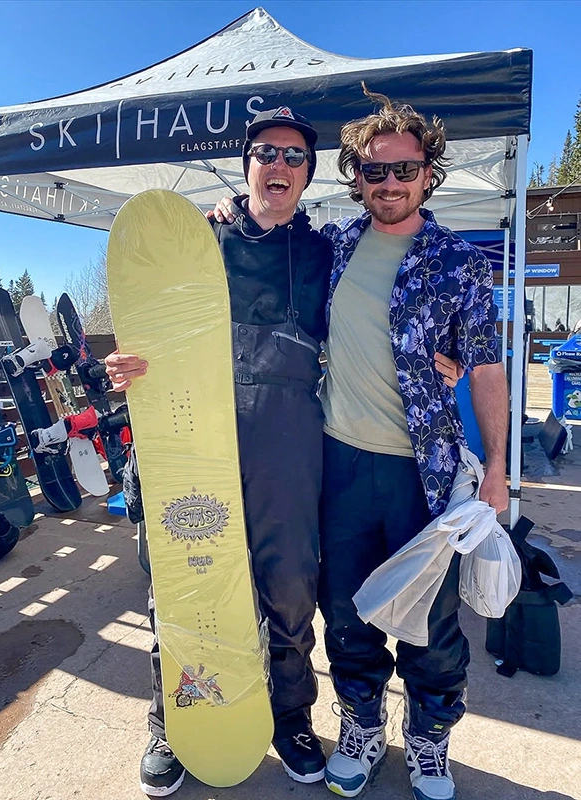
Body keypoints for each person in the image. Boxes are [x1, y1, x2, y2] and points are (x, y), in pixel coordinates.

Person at [107, 105, 462, 798]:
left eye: (296, 158)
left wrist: (436, 355)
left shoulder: (331, 252)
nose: (280, 166)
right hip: (192, 441)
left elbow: (383, 312)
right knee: (186, 581)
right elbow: (147, 323)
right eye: (267, 153)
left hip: (288, 445)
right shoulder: (199, 242)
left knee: (292, 588)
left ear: (309, 176)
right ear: (246, 164)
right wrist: (125, 367)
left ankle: (290, 718)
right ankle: (173, 720)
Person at [314, 91, 508, 800]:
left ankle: (428, 739)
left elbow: (485, 367)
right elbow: (263, 252)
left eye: (404, 170)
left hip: (424, 476)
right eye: (373, 171)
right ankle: (362, 725)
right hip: (338, 463)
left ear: (429, 173)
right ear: (356, 176)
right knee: (345, 610)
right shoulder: (332, 244)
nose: (388, 184)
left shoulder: (460, 262)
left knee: (431, 621)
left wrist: (496, 471)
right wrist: (224, 217)